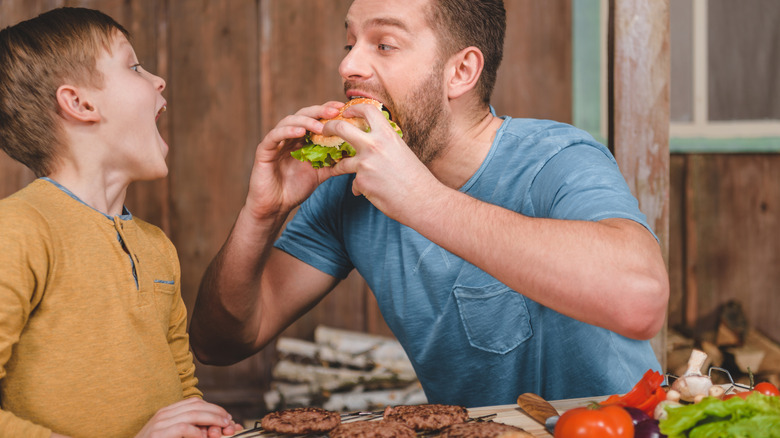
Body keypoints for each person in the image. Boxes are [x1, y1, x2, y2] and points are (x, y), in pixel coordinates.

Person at [190, 0, 670, 407]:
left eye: (384, 45)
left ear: (460, 71)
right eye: (350, 43)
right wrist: (262, 213)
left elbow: (641, 300)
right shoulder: (347, 189)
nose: (348, 66)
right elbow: (221, 342)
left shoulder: (557, 159)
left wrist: (419, 199)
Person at [0, 8, 241, 438]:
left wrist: (203, 424)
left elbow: (183, 391)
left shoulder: (157, 247)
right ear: (79, 103)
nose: (158, 80)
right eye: (133, 66)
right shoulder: (19, 230)